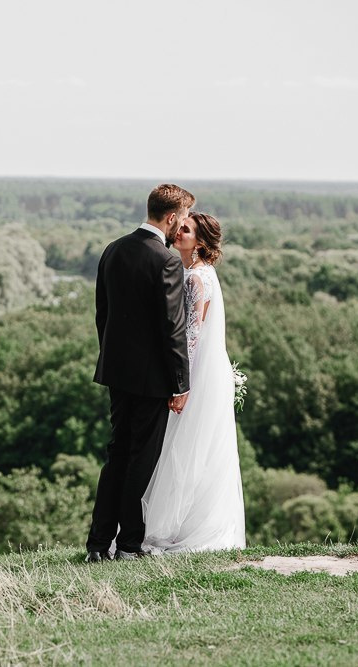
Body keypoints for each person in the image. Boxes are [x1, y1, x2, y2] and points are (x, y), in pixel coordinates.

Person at [85, 184, 193, 562]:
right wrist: (181, 383)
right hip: (151, 380)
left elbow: (103, 314)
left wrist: (112, 359)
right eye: (181, 218)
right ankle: (129, 544)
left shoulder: (112, 249)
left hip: (116, 372)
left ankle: (98, 544)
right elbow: (172, 328)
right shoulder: (166, 260)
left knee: (117, 454)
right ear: (171, 217)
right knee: (140, 460)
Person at [141, 212, 246, 553]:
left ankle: (181, 529)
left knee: (186, 447)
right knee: (196, 446)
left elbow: (191, 336)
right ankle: (188, 524)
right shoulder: (201, 273)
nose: (177, 232)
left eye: (185, 230)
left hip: (197, 373)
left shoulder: (195, 280)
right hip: (208, 370)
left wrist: (179, 383)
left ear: (199, 242)